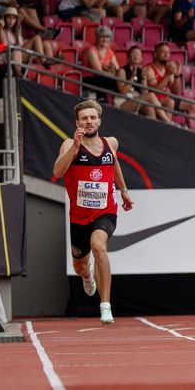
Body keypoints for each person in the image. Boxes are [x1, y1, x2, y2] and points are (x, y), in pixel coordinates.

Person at [51, 99, 133, 325]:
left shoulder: (111, 143)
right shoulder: (69, 145)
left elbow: (114, 164)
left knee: (99, 245)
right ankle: (87, 276)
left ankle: (105, 306)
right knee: (80, 265)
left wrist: (123, 190)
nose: (89, 121)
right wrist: (76, 148)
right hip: (79, 217)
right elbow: (57, 172)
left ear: (99, 120)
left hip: (105, 211)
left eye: (93, 117)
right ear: (77, 122)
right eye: (84, 118)